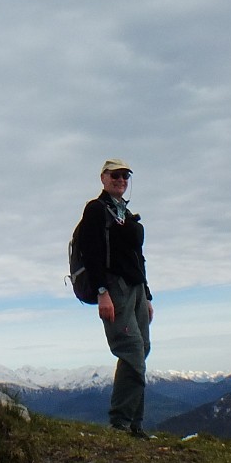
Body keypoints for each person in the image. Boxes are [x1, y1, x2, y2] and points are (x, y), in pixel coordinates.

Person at [73, 158, 154, 438]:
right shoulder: (96, 210)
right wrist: (101, 292)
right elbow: (92, 253)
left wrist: (147, 294)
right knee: (131, 350)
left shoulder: (125, 214)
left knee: (141, 349)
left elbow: (137, 257)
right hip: (114, 287)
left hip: (135, 289)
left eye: (125, 176)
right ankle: (120, 423)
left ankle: (135, 425)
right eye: (115, 175)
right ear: (103, 178)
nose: (121, 180)